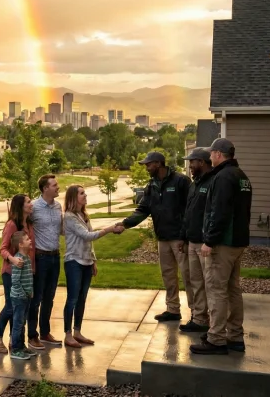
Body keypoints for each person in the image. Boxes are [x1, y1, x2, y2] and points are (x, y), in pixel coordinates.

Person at [112, 152, 192, 322]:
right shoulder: (151, 186)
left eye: (148, 165)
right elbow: (143, 209)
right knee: (168, 275)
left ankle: (198, 315)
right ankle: (173, 309)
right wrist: (125, 224)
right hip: (162, 238)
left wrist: (186, 235)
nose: (146, 168)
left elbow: (191, 209)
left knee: (188, 276)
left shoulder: (181, 181)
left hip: (180, 238)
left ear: (158, 163)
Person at [191, 138, 252, 356]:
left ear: (218, 154)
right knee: (233, 289)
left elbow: (219, 212)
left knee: (216, 289)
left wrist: (209, 241)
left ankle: (216, 338)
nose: (209, 157)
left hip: (223, 244)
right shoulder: (241, 176)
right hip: (238, 241)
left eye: (211, 153)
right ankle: (235, 336)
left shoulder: (223, 177)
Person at [62, 184, 118, 347]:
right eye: (81, 193)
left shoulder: (83, 215)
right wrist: (109, 229)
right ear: (73, 197)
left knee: (82, 299)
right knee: (72, 298)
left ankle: (77, 332)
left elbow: (89, 244)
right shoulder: (69, 216)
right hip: (74, 261)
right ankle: (68, 334)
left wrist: (93, 260)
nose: (85, 195)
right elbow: (87, 236)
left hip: (86, 262)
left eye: (84, 193)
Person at [0, 194, 36, 354]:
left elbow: (32, 250)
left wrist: (32, 270)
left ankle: (15, 341)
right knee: (11, 307)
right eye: (28, 202)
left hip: (26, 272)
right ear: (20, 206)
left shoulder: (29, 224)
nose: (31, 204)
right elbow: (2, 249)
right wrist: (12, 259)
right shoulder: (12, 225)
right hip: (11, 273)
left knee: (20, 311)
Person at [179, 147, 213, 333]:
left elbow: (214, 214)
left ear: (201, 162)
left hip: (205, 242)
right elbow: (188, 213)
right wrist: (183, 237)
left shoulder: (213, 183)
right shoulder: (195, 184)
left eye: (192, 162)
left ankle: (214, 322)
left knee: (210, 284)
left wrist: (209, 239)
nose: (190, 166)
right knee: (195, 281)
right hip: (192, 241)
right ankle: (199, 318)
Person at [28, 174, 63, 350]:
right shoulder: (33, 207)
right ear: (45, 189)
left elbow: (62, 230)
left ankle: (45, 332)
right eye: (54, 185)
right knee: (37, 298)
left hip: (55, 257)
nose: (58, 187)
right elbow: (23, 228)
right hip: (40, 258)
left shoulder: (58, 206)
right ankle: (32, 335)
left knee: (50, 297)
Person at [9, 230, 35, 360]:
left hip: (25, 297)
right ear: (20, 244)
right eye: (27, 239)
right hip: (19, 297)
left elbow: (28, 278)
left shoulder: (27, 258)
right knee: (18, 324)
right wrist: (23, 293)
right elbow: (15, 281)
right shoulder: (18, 260)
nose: (30, 240)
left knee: (22, 322)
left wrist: (30, 292)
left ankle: (22, 346)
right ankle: (15, 349)